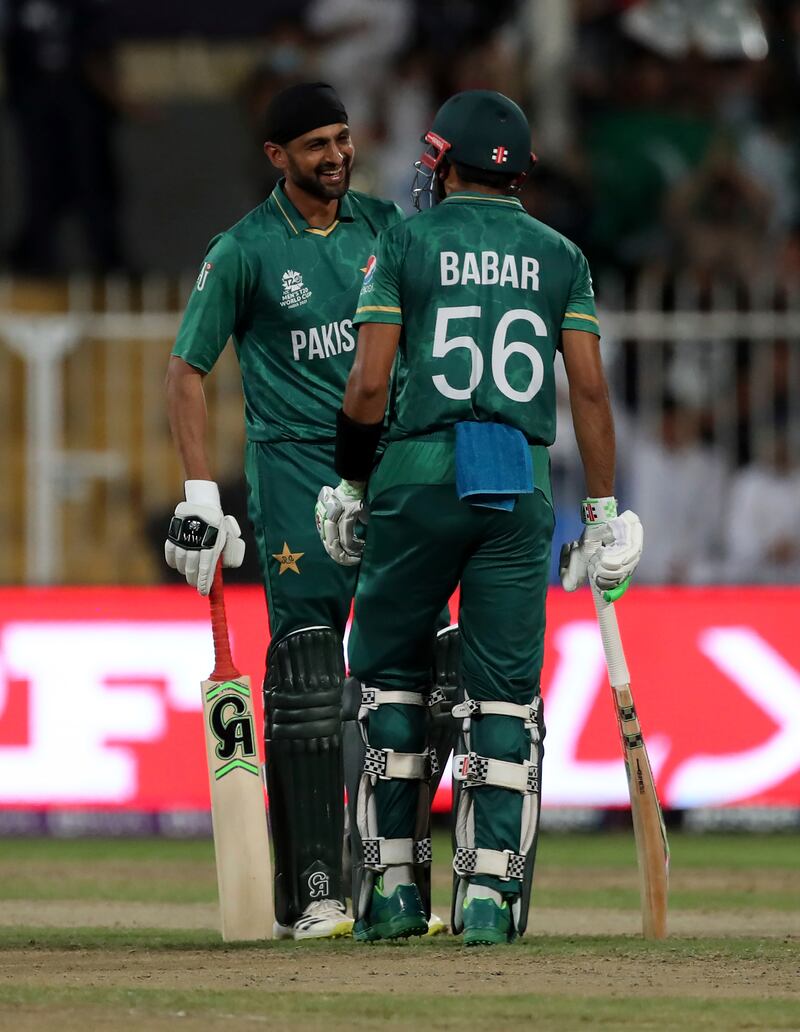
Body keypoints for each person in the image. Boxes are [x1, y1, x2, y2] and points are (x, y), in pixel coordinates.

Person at [316, 90, 643, 944]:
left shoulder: (406, 240)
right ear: (522, 174)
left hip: (418, 474)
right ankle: (490, 901)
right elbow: (592, 392)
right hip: (517, 482)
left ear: (446, 162)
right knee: (502, 701)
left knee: (391, 680)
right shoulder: (561, 255)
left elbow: (368, 384)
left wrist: (350, 485)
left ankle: (391, 892)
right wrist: (602, 512)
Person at [164, 82, 406, 941]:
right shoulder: (244, 250)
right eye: (315, 145)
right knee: (307, 675)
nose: (335, 156)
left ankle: (393, 888)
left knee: (411, 675)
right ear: (277, 156)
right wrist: (202, 495)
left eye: (342, 138)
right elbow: (186, 371)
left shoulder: (385, 228)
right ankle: (314, 892)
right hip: (297, 473)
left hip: (392, 469)